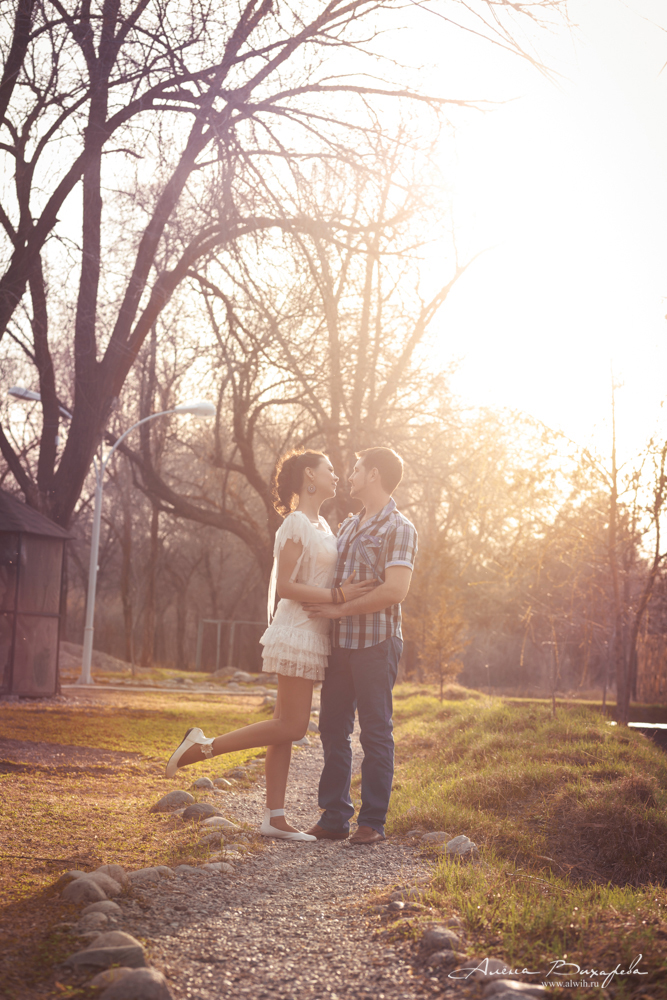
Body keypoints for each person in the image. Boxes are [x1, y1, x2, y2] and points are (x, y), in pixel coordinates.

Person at [164, 450, 376, 841]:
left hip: (314, 635)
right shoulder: (295, 523)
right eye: (331, 468)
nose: (337, 474)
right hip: (296, 630)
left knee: (283, 729)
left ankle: (273, 818)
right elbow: (286, 588)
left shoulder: (323, 524)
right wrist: (340, 595)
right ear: (310, 475)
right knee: (292, 726)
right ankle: (202, 747)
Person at [303, 447, 417, 845]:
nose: (349, 476)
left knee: (375, 731)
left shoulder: (400, 528)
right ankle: (334, 817)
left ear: (373, 474)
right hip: (341, 646)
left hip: (376, 644)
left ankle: (372, 822)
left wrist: (340, 610)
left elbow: (396, 590)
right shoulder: (349, 526)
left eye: (355, 469)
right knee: (333, 728)